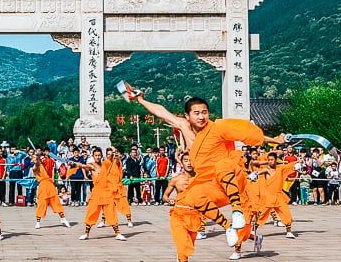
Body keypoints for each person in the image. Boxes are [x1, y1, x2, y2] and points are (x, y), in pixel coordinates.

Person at [119, 81, 285, 247]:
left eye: (204, 112)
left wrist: (275, 141)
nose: (201, 117)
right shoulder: (184, 127)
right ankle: (231, 230)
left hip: (229, 177)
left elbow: (246, 135)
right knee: (189, 204)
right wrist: (140, 100)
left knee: (224, 172)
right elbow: (162, 113)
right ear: (187, 116)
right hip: (204, 180)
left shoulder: (217, 129)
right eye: (196, 113)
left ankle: (236, 212)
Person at [163, 152, 201, 262]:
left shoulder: (200, 179)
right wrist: (169, 200)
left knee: (189, 244)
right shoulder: (176, 180)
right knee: (182, 243)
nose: (189, 163)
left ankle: (180, 257)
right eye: (186, 160)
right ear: (182, 163)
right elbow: (165, 196)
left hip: (194, 216)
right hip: (178, 214)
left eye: (191, 160)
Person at [77, 148, 126, 241]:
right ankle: (86, 233)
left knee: (111, 212)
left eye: (99, 155)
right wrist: (75, 164)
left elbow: (114, 162)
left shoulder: (105, 164)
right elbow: (84, 166)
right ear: (93, 156)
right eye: (96, 155)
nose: (98, 157)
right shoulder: (92, 165)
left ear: (101, 156)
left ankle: (118, 233)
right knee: (92, 212)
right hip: (97, 193)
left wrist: (114, 153)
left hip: (107, 192)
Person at [256, 152, 298, 239]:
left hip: (279, 196)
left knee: (286, 214)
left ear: (276, 160)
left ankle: (289, 232)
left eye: (272, 160)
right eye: (269, 160)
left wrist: (299, 162)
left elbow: (289, 166)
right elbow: (259, 172)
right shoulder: (266, 170)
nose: (270, 161)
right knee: (261, 215)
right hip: (268, 197)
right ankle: (253, 230)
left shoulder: (280, 169)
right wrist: (254, 175)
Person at [32, 151, 71, 229]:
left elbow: (52, 167)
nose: (34, 158)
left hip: (50, 185)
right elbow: (35, 168)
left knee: (56, 203)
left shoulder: (44, 163)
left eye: (35, 157)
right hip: (43, 186)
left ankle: (63, 219)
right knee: (41, 204)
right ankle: (38, 222)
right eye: (33, 158)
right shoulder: (35, 167)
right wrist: (36, 161)